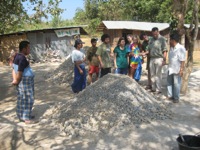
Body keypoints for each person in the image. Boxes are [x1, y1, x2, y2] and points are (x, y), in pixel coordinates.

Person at [12, 41, 35, 124]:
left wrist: (14, 80)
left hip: (24, 81)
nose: (29, 49)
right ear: (24, 48)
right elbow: (20, 71)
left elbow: (13, 69)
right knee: (29, 99)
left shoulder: (17, 56)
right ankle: (26, 118)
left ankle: (22, 115)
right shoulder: (22, 58)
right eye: (28, 48)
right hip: (25, 81)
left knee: (22, 98)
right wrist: (17, 81)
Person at [142, 27, 167, 94]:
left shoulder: (162, 39)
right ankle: (153, 88)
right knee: (152, 74)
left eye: (156, 34)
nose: (155, 35)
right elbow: (148, 50)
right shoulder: (151, 40)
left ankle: (159, 89)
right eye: (153, 34)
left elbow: (165, 50)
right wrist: (144, 53)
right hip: (152, 58)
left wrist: (164, 60)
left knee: (158, 74)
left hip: (159, 58)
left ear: (158, 32)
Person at [167, 33, 186, 103]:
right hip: (170, 68)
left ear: (173, 40)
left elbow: (183, 60)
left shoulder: (181, 48)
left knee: (176, 84)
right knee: (169, 82)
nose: (169, 42)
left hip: (177, 69)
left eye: (170, 40)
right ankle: (170, 95)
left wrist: (181, 70)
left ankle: (176, 98)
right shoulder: (171, 48)